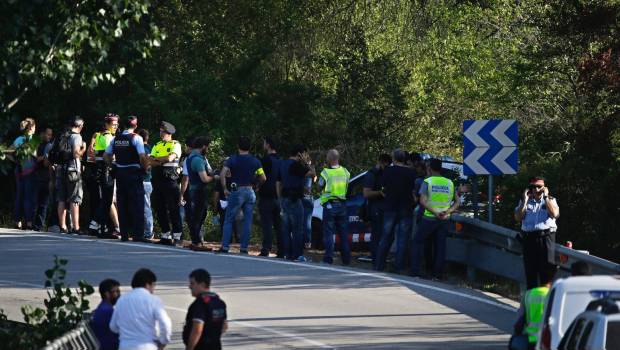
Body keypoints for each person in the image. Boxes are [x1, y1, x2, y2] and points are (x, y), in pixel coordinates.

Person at [410, 158, 459, 279]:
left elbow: (422, 201)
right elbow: (457, 202)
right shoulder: (449, 182)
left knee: (417, 241)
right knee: (440, 246)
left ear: (429, 168)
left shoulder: (428, 181)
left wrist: (436, 213)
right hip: (445, 219)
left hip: (429, 218)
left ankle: (415, 272)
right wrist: (447, 211)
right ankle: (437, 275)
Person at [104, 116, 149, 242]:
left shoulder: (115, 139)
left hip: (120, 173)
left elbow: (106, 155)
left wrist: (112, 166)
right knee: (137, 204)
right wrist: (145, 168)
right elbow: (142, 156)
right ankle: (137, 235)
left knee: (122, 204)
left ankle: (124, 234)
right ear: (135, 126)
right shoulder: (136, 138)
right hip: (133, 173)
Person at [219, 136, 266, 254]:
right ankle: (244, 248)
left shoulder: (232, 159)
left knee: (229, 219)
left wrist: (225, 188)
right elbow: (263, 177)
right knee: (247, 221)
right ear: (249, 147)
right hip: (250, 191)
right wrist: (256, 186)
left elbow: (222, 174)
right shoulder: (255, 161)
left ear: (238, 146)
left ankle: (225, 247)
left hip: (237, 191)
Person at [374, 150, 417, 273]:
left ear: (393, 159)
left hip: (390, 208)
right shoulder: (411, 172)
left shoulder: (388, 171)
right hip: (406, 208)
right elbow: (413, 189)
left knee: (385, 237)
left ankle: (379, 265)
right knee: (402, 239)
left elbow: (383, 187)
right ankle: (399, 267)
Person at [514, 176, 560, 289]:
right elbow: (518, 217)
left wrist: (546, 197)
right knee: (531, 274)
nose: (536, 189)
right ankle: (531, 305)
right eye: (532, 187)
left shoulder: (551, 199)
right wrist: (524, 200)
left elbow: (554, 214)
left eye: (539, 187)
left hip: (546, 238)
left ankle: (545, 304)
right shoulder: (524, 201)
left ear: (544, 188)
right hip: (529, 239)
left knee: (546, 275)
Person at [110, 268, 172, 350]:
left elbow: (113, 326)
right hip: (147, 345)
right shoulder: (153, 300)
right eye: (153, 285)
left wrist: (126, 333)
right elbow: (166, 324)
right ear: (147, 285)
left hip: (125, 346)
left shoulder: (122, 300)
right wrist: (163, 342)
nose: (153, 290)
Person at [277, 144, 315, 261]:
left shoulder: (282, 164)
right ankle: (297, 254)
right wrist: (308, 164)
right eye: (304, 154)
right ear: (299, 154)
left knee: (286, 228)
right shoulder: (296, 165)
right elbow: (312, 174)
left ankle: (287, 254)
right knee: (297, 228)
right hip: (295, 199)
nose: (305, 156)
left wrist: (280, 199)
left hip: (284, 198)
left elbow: (278, 183)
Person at [150, 121, 183, 245]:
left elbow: (170, 158)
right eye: (160, 131)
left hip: (170, 181)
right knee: (159, 208)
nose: (160, 133)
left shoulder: (176, 144)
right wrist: (160, 161)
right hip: (158, 181)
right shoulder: (157, 145)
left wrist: (157, 160)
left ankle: (178, 236)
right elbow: (149, 161)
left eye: (162, 132)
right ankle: (165, 235)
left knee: (173, 209)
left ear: (169, 133)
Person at [318, 149, 351, 265]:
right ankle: (346, 260)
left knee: (328, 233)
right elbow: (348, 185)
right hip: (342, 205)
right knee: (343, 233)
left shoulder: (326, 172)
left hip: (330, 205)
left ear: (330, 159)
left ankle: (328, 259)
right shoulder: (345, 172)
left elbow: (320, 185)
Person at [89, 114, 119, 237]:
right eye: (113, 124)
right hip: (107, 170)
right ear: (106, 125)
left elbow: (93, 155)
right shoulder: (108, 137)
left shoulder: (100, 135)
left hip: (100, 170)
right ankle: (96, 224)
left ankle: (99, 226)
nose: (116, 127)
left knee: (106, 200)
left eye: (117, 124)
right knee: (107, 200)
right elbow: (110, 155)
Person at [55, 116, 86, 234]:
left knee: (61, 199)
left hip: (59, 170)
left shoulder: (62, 135)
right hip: (72, 170)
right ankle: (76, 227)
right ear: (79, 126)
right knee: (74, 199)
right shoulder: (76, 136)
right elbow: (76, 154)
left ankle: (62, 227)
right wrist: (83, 148)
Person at [183, 269, 228, 350]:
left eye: (192, 283)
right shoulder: (219, 302)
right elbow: (224, 326)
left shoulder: (200, 304)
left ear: (202, 284)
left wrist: (189, 348)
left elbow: (197, 330)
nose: (189, 286)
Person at [513, 266, 555, 350]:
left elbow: (519, 318)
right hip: (545, 340)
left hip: (530, 339)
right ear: (552, 279)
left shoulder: (528, 293)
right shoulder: (553, 295)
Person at [363, 153, 392, 263]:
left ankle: (381, 259)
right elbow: (366, 193)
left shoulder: (387, 173)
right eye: (386, 165)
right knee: (376, 235)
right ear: (380, 162)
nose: (387, 167)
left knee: (385, 235)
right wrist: (380, 193)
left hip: (386, 208)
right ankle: (376, 259)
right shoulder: (371, 174)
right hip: (376, 208)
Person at [187, 136, 216, 248]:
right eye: (207, 147)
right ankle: (196, 241)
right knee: (198, 216)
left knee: (200, 215)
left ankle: (196, 240)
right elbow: (204, 178)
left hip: (194, 189)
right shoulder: (198, 159)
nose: (207, 150)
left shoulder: (192, 157)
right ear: (203, 146)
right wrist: (214, 177)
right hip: (198, 190)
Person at [11, 118, 38, 230]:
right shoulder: (34, 139)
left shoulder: (19, 139)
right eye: (35, 127)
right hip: (30, 170)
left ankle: (17, 221)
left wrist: (16, 161)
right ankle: (29, 222)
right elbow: (35, 155)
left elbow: (9, 152)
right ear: (31, 127)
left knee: (19, 195)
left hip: (19, 169)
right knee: (29, 197)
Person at [258, 137, 282, 257]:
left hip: (266, 194)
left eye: (264, 143)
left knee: (267, 223)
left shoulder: (265, 160)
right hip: (278, 196)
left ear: (268, 145)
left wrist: (257, 185)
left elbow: (261, 177)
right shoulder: (280, 160)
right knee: (278, 224)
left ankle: (266, 248)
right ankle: (281, 249)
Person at [33, 126, 54, 231]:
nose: (49, 137)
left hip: (46, 177)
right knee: (35, 202)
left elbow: (48, 163)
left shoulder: (50, 146)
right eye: (48, 134)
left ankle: (39, 226)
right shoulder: (37, 144)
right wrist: (44, 157)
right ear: (42, 134)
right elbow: (35, 159)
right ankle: (31, 223)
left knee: (44, 204)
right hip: (36, 176)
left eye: (51, 135)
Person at [91, 278, 121, 350]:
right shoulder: (107, 311)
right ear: (107, 294)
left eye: (119, 291)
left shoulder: (103, 308)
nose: (119, 294)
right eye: (116, 291)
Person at [138, 129, 154, 240]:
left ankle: (148, 232)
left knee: (144, 207)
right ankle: (145, 231)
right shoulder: (151, 148)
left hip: (143, 180)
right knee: (145, 207)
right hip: (147, 180)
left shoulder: (142, 149)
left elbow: (146, 164)